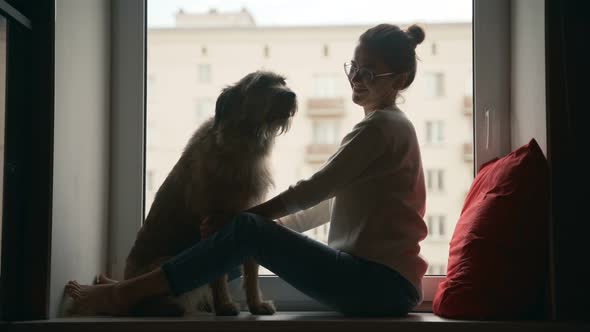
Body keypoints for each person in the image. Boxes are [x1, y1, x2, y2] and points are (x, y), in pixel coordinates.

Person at [65, 23, 428, 317]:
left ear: (398, 81)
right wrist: (262, 230)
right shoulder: (390, 127)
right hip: (385, 287)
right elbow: (328, 206)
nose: (358, 78)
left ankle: (121, 295)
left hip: (376, 286)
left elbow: (315, 189)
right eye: (355, 67)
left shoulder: (381, 127)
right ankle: (137, 291)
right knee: (245, 234)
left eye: (370, 73)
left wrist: (247, 224)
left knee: (245, 229)